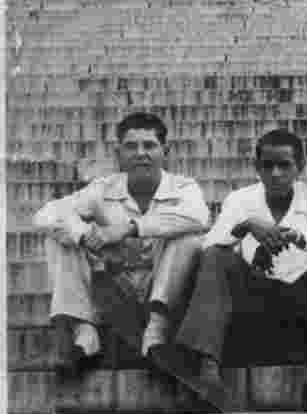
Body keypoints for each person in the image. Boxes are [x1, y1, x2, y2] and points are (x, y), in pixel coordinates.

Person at [175, 129, 307, 409]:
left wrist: (301, 238)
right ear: (257, 168)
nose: (276, 173)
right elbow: (209, 245)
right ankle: (206, 370)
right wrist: (246, 226)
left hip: (306, 299)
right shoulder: (241, 200)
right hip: (253, 298)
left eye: (284, 165)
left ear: (300, 167)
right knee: (217, 255)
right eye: (268, 166)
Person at [33, 112, 209, 377]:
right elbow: (45, 214)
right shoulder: (102, 189)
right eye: (131, 146)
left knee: (190, 237)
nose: (140, 153)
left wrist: (126, 229)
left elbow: (200, 217)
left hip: (165, 291)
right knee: (60, 236)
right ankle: (84, 332)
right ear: (118, 153)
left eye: (149, 145)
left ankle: (156, 336)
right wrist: (84, 234)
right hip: (116, 288)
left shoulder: (184, 187)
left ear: (165, 151)